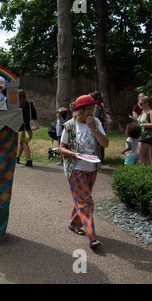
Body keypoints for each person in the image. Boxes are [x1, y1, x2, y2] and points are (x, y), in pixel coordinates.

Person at [59, 95, 109, 249]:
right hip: (76, 169)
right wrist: (73, 154)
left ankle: (74, 224)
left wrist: (93, 127)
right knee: (86, 202)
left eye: (92, 109)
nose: (90, 112)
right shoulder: (69, 125)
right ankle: (92, 237)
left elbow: (105, 144)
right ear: (79, 111)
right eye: (87, 109)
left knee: (81, 199)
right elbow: (62, 148)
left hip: (92, 168)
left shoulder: (96, 123)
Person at [17, 89, 37, 167]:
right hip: (28, 126)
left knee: (24, 142)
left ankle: (29, 160)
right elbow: (34, 114)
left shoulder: (17, 105)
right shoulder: (29, 104)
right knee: (21, 142)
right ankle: (17, 158)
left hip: (21, 126)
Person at [137, 96, 152, 165]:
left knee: (140, 154)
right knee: (146, 156)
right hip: (142, 135)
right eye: (139, 104)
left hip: (148, 136)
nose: (140, 105)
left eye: (141, 104)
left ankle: (143, 171)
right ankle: (148, 171)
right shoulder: (142, 112)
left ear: (147, 103)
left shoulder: (151, 112)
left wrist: (142, 125)